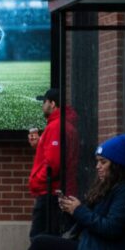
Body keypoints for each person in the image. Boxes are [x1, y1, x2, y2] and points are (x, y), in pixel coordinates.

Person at [28, 88, 79, 239]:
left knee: (39, 240)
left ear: (52, 103)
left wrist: (37, 181)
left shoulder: (56, 126)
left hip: (50, 195)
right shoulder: (61, 124)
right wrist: (39, 144)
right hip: (56, 193)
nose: (42, 106)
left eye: (44, 102)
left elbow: (54, 165)